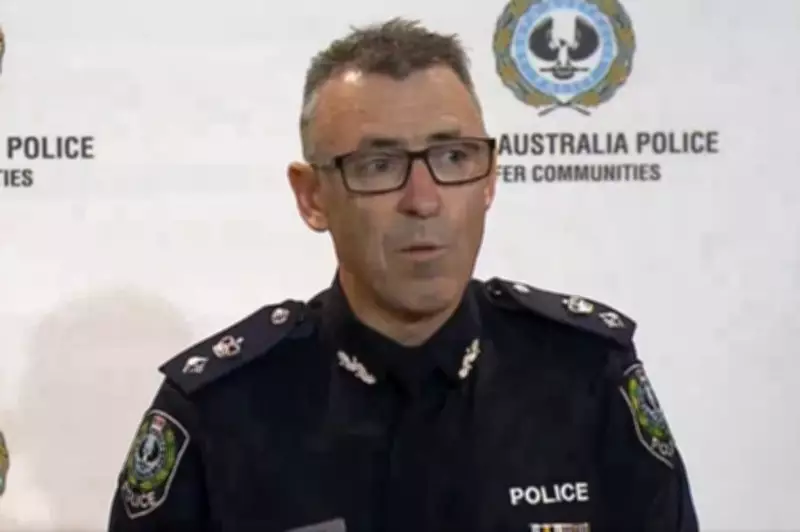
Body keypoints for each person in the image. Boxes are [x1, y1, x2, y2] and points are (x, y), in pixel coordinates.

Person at [107, 18, 699, 532]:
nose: (423, 200)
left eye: (453, 158)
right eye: (378, 165)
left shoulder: (586, 375)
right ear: (312, 197)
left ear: (489, 178)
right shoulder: (219, 412)